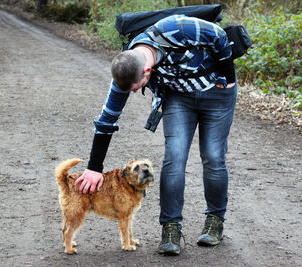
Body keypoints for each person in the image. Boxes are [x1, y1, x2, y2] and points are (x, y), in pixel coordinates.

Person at [74, 14, 237, 256]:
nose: (135, 91)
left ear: (148, 70)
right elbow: (108, 118)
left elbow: (219, 36)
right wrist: (94, 168)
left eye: (137, 87)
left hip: (217, 92)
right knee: (174, 157)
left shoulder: (178, 28)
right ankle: (170, 229)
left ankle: (215, 221)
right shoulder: (126, 67)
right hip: (179, 98)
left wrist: (230, 78)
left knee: (213, 156)